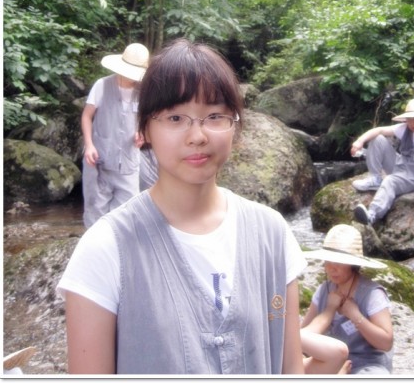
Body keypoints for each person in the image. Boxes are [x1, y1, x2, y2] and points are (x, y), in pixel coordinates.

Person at [58, 38, 306, 375]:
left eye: (215, 116)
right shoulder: (104, 248)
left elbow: (291, 369)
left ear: (235, 124)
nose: (197, 136)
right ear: (144, 129)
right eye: (175, 117)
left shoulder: (272, 234)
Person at [301, 224, 393, 375]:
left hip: (367, 365)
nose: (332, 268)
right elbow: (303, 337)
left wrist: (355, 315)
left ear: (353, 264)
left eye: (338, 263)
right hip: (330, 363)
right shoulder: (324, 290)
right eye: (328, 262)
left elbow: (386, 343)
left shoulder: (372, 294)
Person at [351, 98, 414, 226]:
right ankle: (375, 179)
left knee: (390, 181)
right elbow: (379, 130)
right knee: (377, 139)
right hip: (401, 167)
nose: (412, 123)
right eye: (409, 119)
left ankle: (372, 215)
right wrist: (359, 141)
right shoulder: (404, 128)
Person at [80, 42, 149, 228]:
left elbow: (146, 121)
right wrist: (89, 145)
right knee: (95, 214)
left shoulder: (143, 93)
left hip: (128, 164)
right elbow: (86, 116)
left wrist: (142, 133)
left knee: (127, 215)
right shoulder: (102, 85)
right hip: (99, 161)